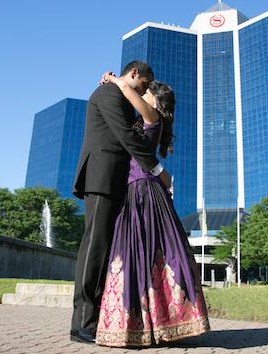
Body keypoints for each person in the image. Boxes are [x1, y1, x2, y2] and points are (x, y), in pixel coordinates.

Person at [94, 72, 210, 347]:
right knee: (137, 255)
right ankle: (142, 327)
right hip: (136, 191)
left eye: (146, 91)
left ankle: (161, 324)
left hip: (144, 192)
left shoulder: (152, 117)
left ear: (154, 99)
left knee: (152, 254)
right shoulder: (146, 119)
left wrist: (114, 79)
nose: (142, 92)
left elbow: (126, 90)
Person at [70, 60, 172, 345]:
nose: (142, 91)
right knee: (95, 247)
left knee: (104, 252)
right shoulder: (107, 95)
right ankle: (81, 324)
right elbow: (125, 135)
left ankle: (96, 319)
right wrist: (157, 168)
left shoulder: (120, 95)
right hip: (101, 178)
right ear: (135, 73)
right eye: (142, 85)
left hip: (118, 183)